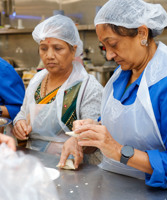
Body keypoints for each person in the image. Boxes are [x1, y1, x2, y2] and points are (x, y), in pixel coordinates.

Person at [58, 0, 167, 190]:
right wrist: (88, 134)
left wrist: (119, 152)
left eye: (113, 44)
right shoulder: (121, 77)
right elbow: (117, 126)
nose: (109, 55)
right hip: (115, 186)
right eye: (103, 47)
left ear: (142, 33)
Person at [12, 15, 103, 157]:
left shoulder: (87, 87)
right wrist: (20, 124)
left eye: (58, 48)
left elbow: (95, 140)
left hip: (74, 166)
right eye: (43, 48)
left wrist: (80, 141)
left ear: (73, 50)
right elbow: (23, 113)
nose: (49, 55)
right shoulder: (36, 80)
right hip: (35, 162)